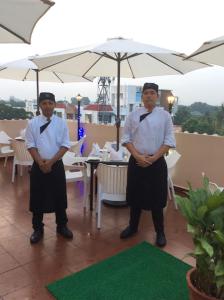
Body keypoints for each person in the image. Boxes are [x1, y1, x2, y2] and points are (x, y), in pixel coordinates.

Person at [120, 83, 176, 247]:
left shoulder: (165, 116)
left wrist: (152, 159)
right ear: (142, 96)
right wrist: (137, 156)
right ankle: (133, 227)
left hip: (156, 162)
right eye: (146, 93)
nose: (149, 96)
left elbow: (169, 141)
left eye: (152, 93)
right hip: (136, 161)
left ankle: (160, 232)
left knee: (157, 199)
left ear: (157, 96)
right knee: (135, 196)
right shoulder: (133, 115)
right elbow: (126, 139)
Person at [25, 92, 73, 244]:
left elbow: (65, 145)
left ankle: (62, 225)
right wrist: (40, 162)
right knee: (37, 196)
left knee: (59, 195)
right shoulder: (32, 123)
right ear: (40, 105)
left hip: (56, 164)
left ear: (54, 105)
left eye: (50, 103)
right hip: (38, 165)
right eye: (44, 103)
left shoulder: (61, 123)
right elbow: (30, 145)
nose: (47, 106)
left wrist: (51, 163)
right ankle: (37, 228)